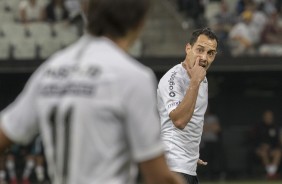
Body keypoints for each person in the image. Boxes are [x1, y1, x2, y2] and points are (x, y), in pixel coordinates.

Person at [0, 0, 184, 184]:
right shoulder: (133, 77)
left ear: (86, 12)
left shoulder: (51, 70)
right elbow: (159, 176)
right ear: (140, 22)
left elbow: (6, 132)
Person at [157, 27, 218, 184]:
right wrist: (195, 82)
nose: (204, 57)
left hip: (187, 166)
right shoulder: (173, 79)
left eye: (210, 53)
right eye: (200, 50)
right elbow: (179, 121)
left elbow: (193, 120)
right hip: (173, 165)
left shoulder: (201, 79)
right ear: (188, 48)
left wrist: (191, 153)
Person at [253, 110, 281, 179]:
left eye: (270, 117)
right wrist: (261, 146)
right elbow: (253, 140)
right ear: (264, 117)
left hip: (271, 149)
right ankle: (271, 174)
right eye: (267, 117)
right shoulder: (258, 127)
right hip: (259, 149)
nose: (269, 118)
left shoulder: (275, 127)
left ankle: (271, 174)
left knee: (278, 153)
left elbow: (277, 141)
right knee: (264, 153)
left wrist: (270, 147)